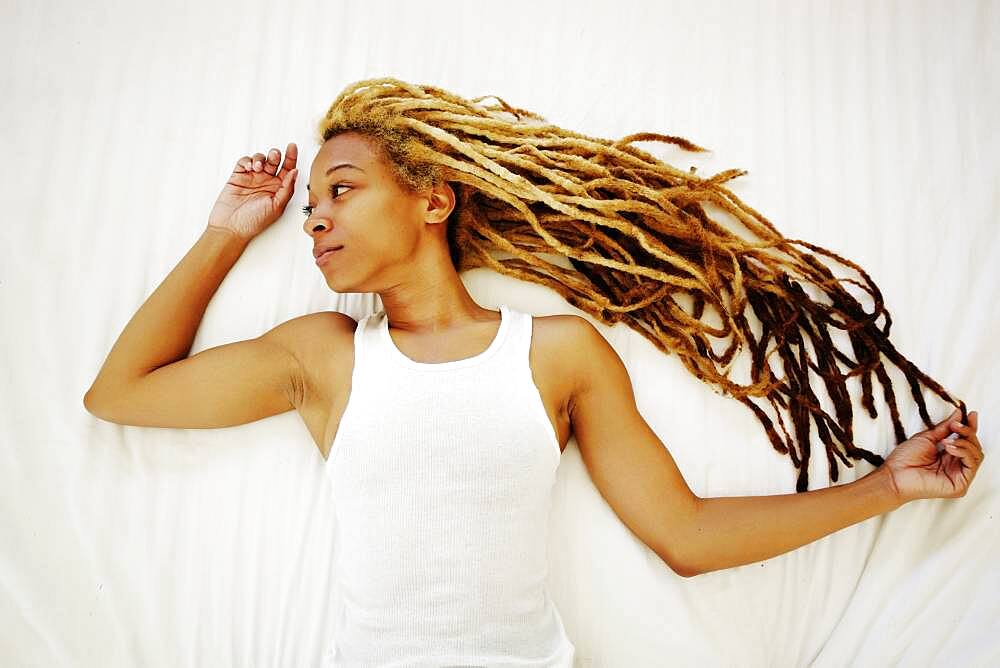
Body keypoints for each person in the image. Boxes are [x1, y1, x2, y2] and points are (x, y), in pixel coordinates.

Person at [84, 78, 984, 666]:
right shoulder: (320, 356)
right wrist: (229, 229)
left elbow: (686, 536)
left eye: (343, 189)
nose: (316, 219)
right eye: (310, 203)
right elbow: (118, 394)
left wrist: (888, 490)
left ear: (434, 198)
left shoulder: (556, 351)